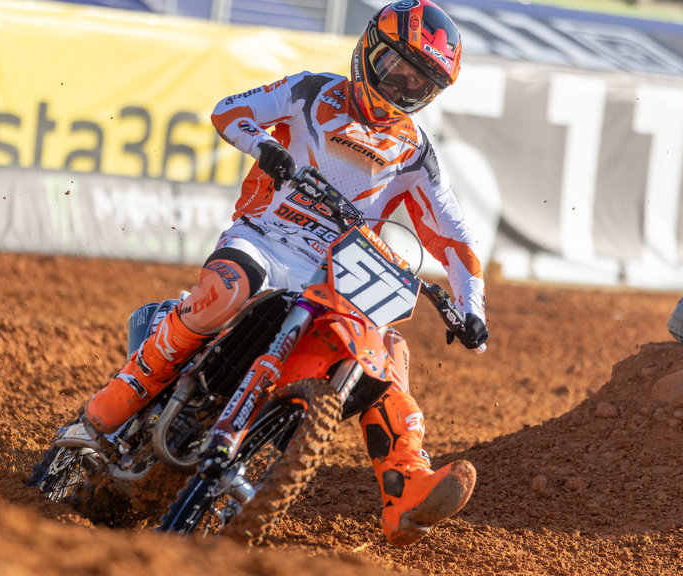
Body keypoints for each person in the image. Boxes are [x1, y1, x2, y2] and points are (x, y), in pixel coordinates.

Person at [81, 0, 489, 546]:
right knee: (228, 292)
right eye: (397, 68)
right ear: (370, 49)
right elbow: (229, 110)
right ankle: (123, 395)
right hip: (267, 239)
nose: (401, 87)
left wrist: (471, 308)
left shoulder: (416, 152)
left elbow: (456, 238)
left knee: (390, 358)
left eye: (418, 85)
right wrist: (267, 147)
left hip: (341, 269)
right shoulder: (311, 92)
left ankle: (408, 487)